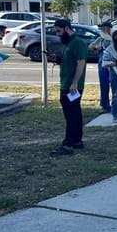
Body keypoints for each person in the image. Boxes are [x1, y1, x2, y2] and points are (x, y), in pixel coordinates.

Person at [50, 18, 87, 156]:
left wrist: (74, 83)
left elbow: (80, 63)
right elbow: (69, 61)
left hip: (71, 86)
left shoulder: (77, 43)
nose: (57, 34)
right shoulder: (68, 43)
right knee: (75, 113)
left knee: (70, 114)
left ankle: (68, 144)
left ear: (66, 28)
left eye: (59, 31)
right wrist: (57, 59)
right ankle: (77, 140)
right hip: (66, 83)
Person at [89, 20, 113, 113]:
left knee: (115, 85)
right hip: (102, 64)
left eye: (103, 28)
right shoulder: (101, 39)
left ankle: (116, 105)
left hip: (113, 64)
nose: (102, 30)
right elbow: (91, 46)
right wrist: (96, 47)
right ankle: (104, 105)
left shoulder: (114, 38)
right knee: (104, 84)